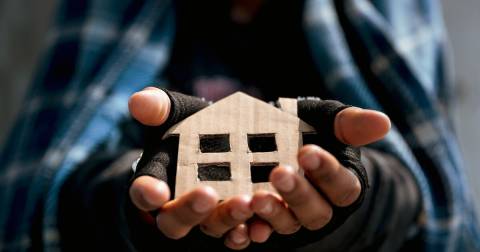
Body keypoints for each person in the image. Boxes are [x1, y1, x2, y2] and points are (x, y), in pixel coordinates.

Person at [0, 0, 479, 251]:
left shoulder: (394, 13)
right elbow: (52, 189)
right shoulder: (104, 12)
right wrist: (138, 204)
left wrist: (359, 197)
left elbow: (427, 192)